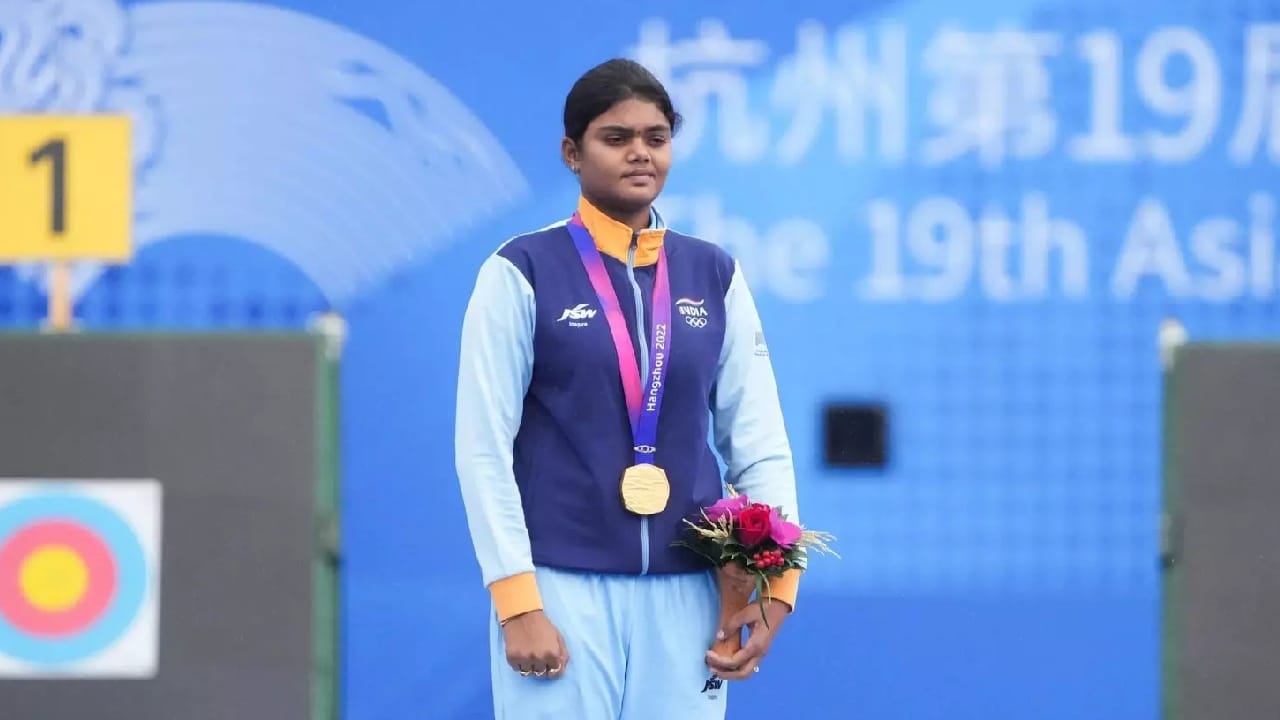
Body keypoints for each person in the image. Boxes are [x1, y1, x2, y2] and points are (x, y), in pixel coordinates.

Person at [454, 57, 802, 720]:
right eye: (616, 138)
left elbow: (758, 441)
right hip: (561, 586)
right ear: (572, 153)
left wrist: (777, 585)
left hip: (689, 593)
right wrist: (518, 602)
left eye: (656, 137)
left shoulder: (713, 274)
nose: (640, 153)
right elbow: (482, 449)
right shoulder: (521, 271)